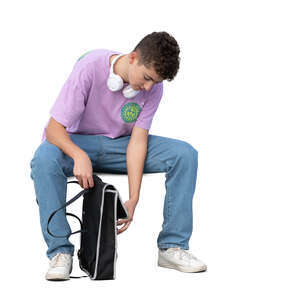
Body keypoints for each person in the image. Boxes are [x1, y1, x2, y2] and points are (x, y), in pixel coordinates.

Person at [30, 31, 207, 281]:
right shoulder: (89, 67)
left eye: (154, 83)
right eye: (146, 78)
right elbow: (53, 129)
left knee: (184, 154)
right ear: (133, 57)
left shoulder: (153, 89)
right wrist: (78, 155)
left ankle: (172, 246)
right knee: (44, 157)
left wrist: (134, 198)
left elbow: (138, 142)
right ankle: (60, 252)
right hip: (77, 142)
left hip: (120, 146)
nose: (148, 87)